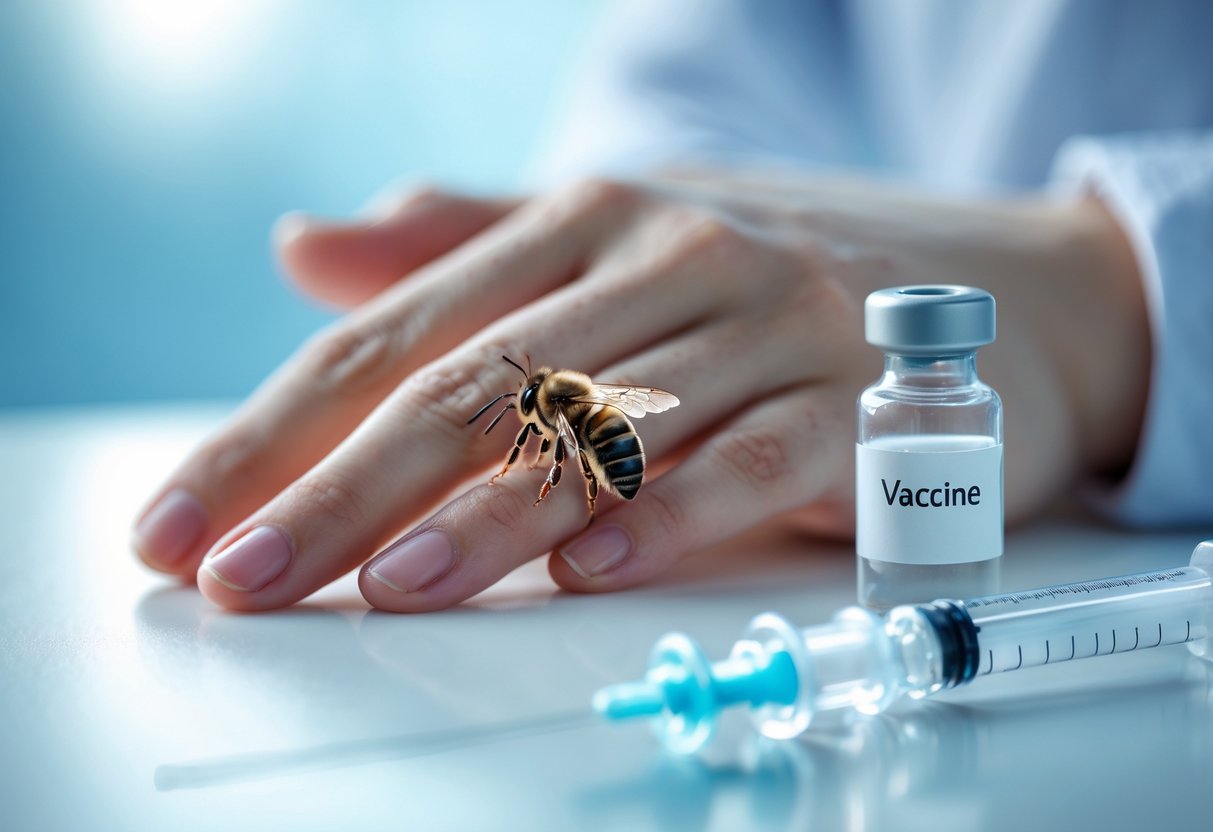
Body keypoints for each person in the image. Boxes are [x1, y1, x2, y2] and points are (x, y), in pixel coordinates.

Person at [130, 0, 1213, 612]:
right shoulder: (577, 408)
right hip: (941, 491)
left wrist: (1126, 285)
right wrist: (683, 270)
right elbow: (694, 87)